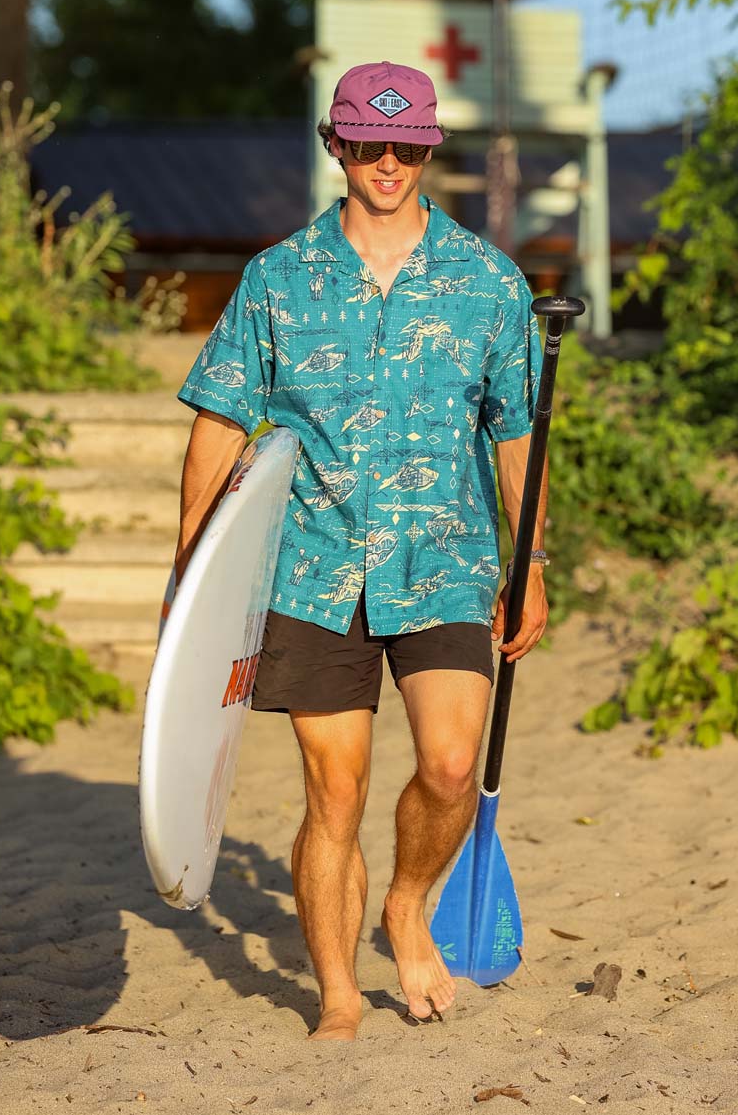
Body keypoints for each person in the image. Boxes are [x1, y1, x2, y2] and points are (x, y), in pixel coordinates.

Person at [175, 61, 549, 1041]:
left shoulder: (487, 283)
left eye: (409, 144)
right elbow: (220, 420)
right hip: (312, 567)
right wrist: (190, 570)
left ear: (430, 149)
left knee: (449, 763)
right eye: (368, 142)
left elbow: (517, 432)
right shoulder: (277, 278)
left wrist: (534, 562)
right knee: (332, 794)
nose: (389, 161)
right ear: (333, 144)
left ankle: (408, 899)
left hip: (448, 565)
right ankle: (338, 994)